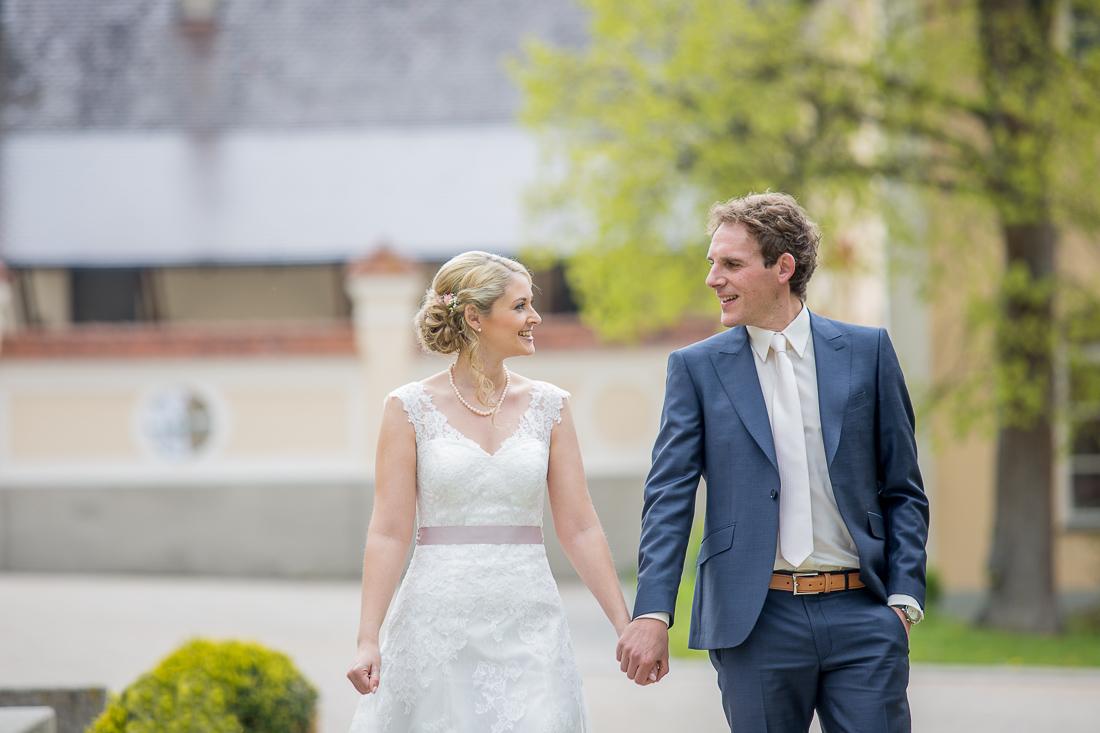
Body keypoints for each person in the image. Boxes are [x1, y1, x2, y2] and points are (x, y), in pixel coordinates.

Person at [616, 193, 929, 732]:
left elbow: (903, 488)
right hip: (755, 622)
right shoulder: (696, 369)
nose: (714, 278)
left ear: (783, 267)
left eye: (732, 264)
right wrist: (651, 612)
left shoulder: (867, 352)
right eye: (712, 263)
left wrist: (901, 602)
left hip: (863, 613)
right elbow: (668, 497)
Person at [347, 251, 631, 732]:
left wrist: (626, 627)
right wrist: (368, 637)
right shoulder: (407, 408)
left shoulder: (550, 406)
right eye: (520, 306)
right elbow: (389, 533)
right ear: (476, 317)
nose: (534, 317)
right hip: (436, 626)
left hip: (530, 622)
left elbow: (580, 526)